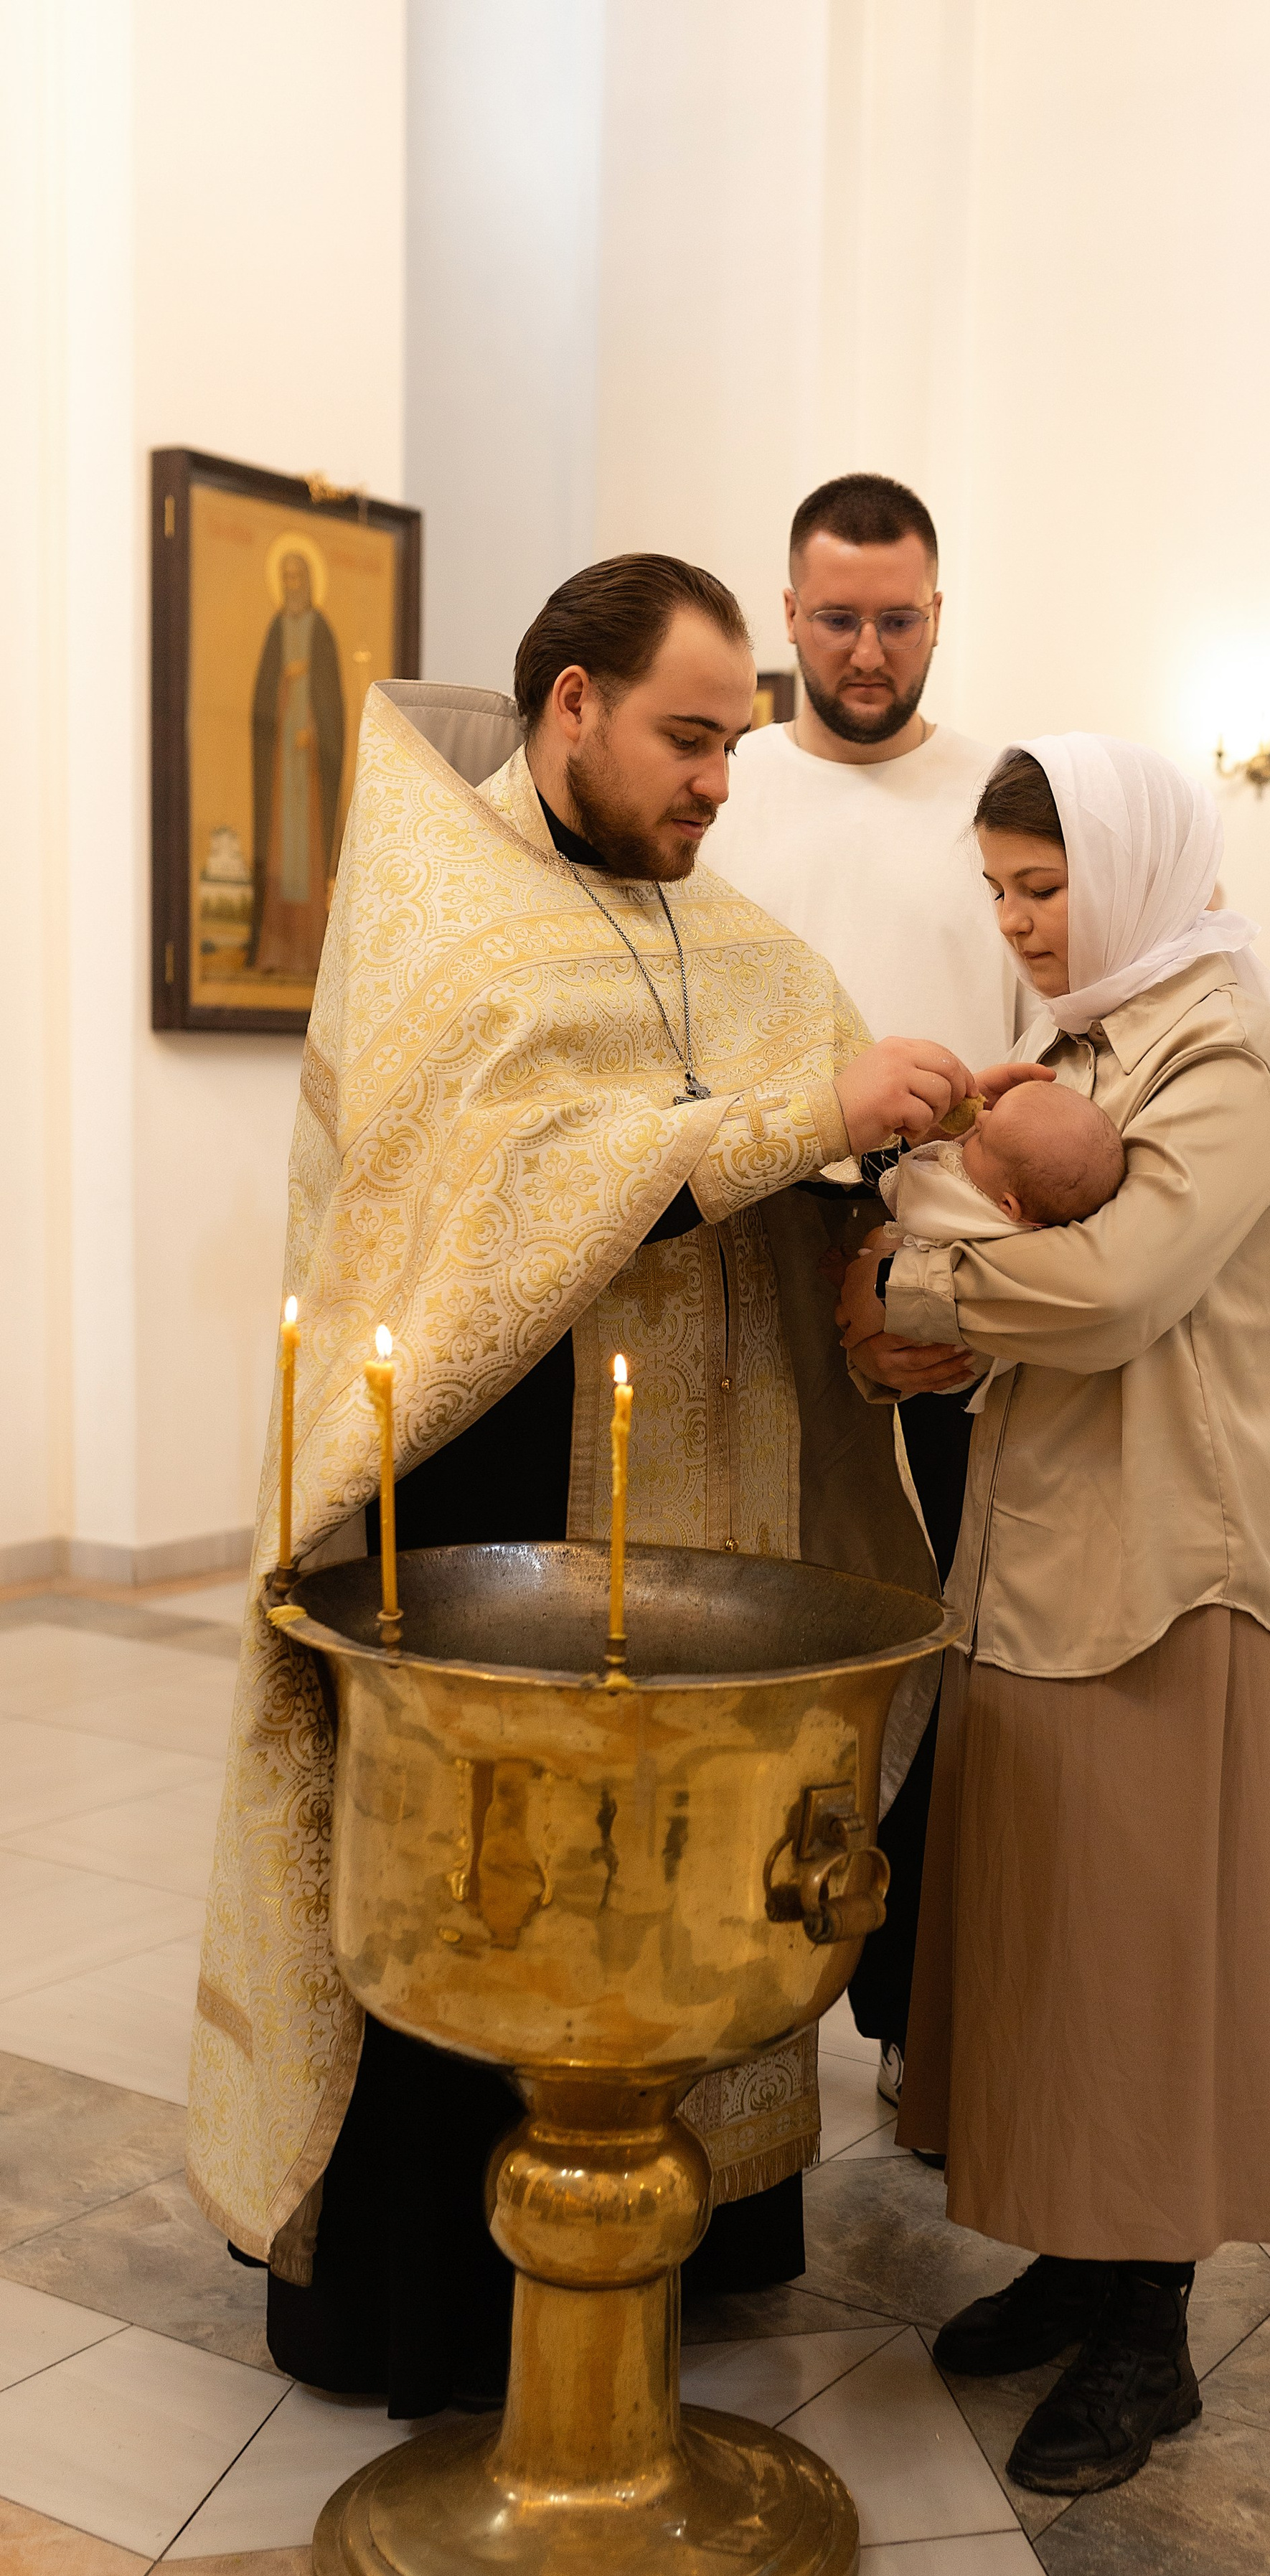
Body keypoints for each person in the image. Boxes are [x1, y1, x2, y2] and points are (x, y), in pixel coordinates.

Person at [187, 551, 972, 2417]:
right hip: (489, 1491)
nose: (718, 782)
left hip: (703, 1504)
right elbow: (512, 1194)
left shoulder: (728, 928)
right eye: (688, 739)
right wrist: (804, 1115)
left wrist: (889, 1237)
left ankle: (677, 2237)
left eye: (734, 747)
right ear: (572, 707)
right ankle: (435, 2305)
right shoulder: (445, 905)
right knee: (495, 1874)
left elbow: (795, 1116)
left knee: (680, 1858)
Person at [842, 736, 1270, 2497]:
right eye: (997, 891)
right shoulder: (1079, 1041)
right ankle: (1073, 2254)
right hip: (1044, 1547)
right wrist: (936, 1289)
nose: (1020, 923)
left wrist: (913, 1289)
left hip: (1178, 1562)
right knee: (1055, 1936)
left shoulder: (1229, 1046)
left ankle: (1150, 2330)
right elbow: (991, 1231)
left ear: (1127, 870)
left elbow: (1116, 1288)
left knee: (1149, 1951)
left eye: (1042, 887)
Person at [703, 472, 1032, 2105]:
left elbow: (1043, 1046)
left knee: (952, 1651)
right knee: (766, 1635)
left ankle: (918, 2022)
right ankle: (737, 2003)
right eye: (835, 618)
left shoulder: (1001, 798)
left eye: (897, 619)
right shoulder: (727, 789)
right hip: (752, 1261)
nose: (865, 649)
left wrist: (932, 1266)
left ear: (937, 614)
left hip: (954, 1266)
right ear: (788, 612)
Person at [869, 1085, 1127, 1405]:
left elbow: (908, 1194)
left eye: (981, 1141)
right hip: (957, 1339)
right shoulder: (1039, 1209)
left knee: (876, 1242)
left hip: (939, 1349)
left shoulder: (975, 1211)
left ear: (1008, 1205)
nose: (981, 1118)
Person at [250, 546, 345, 976]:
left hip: (309, 763)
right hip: (281, 760)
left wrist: (317, 732)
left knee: (306, 853)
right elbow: (262, 699)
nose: (291, 585)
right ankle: (275, 951)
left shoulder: (319, 629)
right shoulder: (277, 628)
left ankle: (309, 953)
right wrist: (284, 686)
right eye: (285, 577)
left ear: (308, 581)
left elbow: (331, 699)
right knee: (279, 848)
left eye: (297, 576)